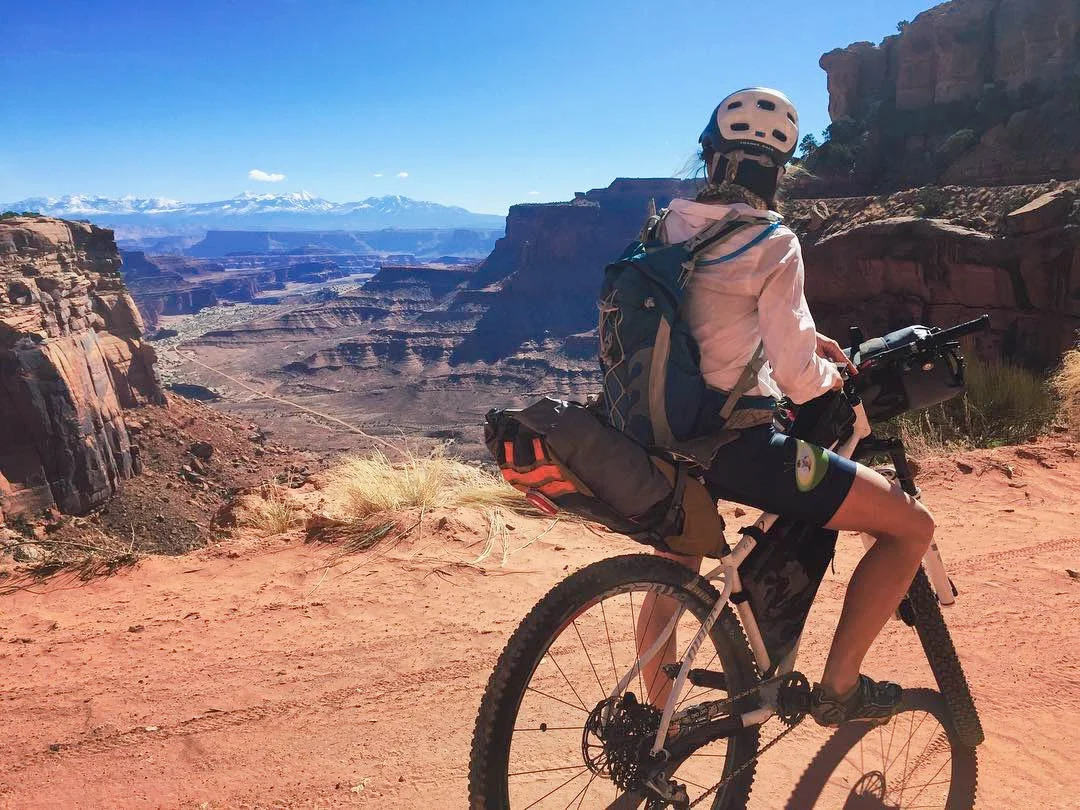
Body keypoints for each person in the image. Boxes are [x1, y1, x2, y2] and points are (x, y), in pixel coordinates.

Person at [636, 87, 935, 726]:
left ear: (710, 157)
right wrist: (829, 369)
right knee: (911, 527)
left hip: (654, 433)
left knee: (673, 572)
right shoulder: (772, 240)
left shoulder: (665, 227)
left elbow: (707, 334)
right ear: (777, 172)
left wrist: (800, 345)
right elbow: (802, 382)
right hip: (731, 447)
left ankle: (646, 733)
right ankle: (840, 690)